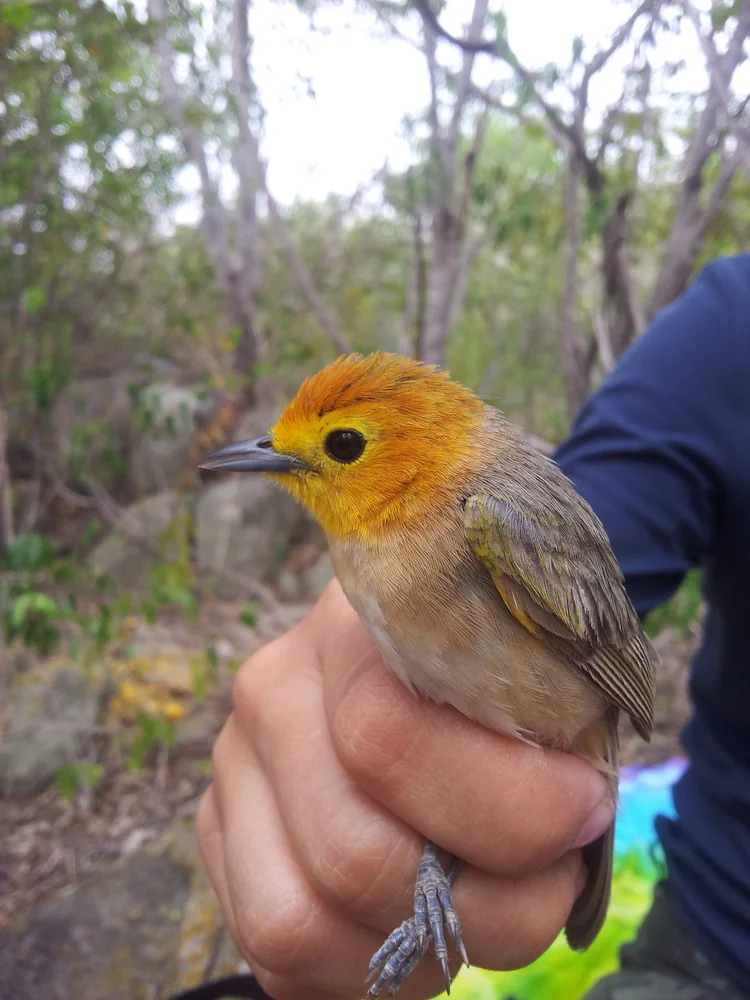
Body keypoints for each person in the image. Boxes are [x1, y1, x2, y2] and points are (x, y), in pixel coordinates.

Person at [195, 256, 750, 1000]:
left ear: (413, 458)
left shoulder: (488, 516)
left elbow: (613, 656)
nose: (284, 459)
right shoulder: (728, 332)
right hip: (709, 931)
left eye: (343, 447)